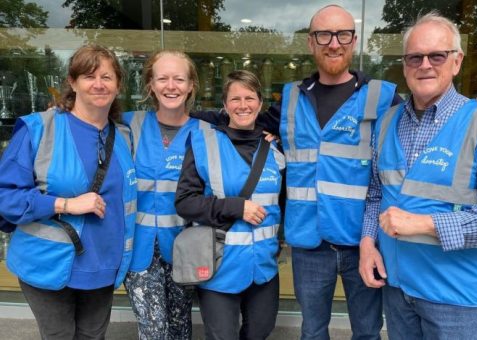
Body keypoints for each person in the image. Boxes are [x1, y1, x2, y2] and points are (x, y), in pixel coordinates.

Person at [192, 5, 477, 339]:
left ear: (354, 41)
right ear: (310, 43)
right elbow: (242, 120)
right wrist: (180, 116)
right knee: (312, 330)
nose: (334, 43)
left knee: (367, 331)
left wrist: (474, 106)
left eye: (343, 34)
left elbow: (432, 116)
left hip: (363, 241)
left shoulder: (384, 98)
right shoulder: (290, 99)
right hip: (308, 243)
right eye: (323, 35)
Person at [359, 12, 477, 340]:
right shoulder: (387, 122)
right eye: (414, 57)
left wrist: (424, 224)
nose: (425, 65)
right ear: (405, 64)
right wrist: (367, 243)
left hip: (457, 299)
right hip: (398, 289)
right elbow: (377, 192)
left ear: (457, 62)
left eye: (437, 55)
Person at [0, 44, 137, 339]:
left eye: (107, 77)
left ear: (118, 85)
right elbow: (6, 198)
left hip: (104, 264)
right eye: (89, 76)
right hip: (48, 265)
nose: (98, 84)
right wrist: (64, 204)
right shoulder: (40, 129)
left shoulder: (124, 134)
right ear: (73, 83)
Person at [175, 70, 285, 340]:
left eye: (250, 98)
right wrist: (236, 207)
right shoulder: (205, 144)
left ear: (260, 104)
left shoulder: (276, 151)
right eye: (235, 99)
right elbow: (185, 203)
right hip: (220, 266)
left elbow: (283, 204)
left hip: (264, 268)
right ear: (225, 105)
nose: (243, 105)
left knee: (260, 332)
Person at [123, 50, 206, 340]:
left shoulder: (206, 132)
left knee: (181, 326)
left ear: (191, 85)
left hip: (184, 246)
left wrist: (267, 134)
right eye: (163, 78)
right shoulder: (128, 125)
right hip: (139, 248)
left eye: (179, 79)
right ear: (151, 85)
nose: (171, 86)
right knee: (155, 331)